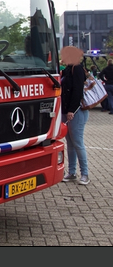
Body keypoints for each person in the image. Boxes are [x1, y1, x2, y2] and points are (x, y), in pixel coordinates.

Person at [60, 46, 90, 185]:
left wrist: (71, 110)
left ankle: (85, 174)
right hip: (67, 110)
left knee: (77, 142)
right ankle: (71, 172)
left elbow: (77, 90)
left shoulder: (76, 68)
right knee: (70, 143)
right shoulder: (67, 69)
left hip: (76, 110)